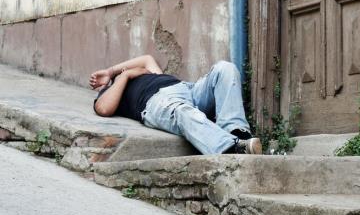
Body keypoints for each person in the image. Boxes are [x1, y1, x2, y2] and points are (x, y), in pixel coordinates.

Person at [90, 54, 261, 155]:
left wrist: (110, 71)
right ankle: (231, 148)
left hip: (188, 89)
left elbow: (146, 59)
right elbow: (104, 109)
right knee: (183, 111)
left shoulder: (150, 73)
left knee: (225, 68)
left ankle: (237, 134)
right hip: (158, 101)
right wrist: (124, 76)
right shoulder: (115, 89)